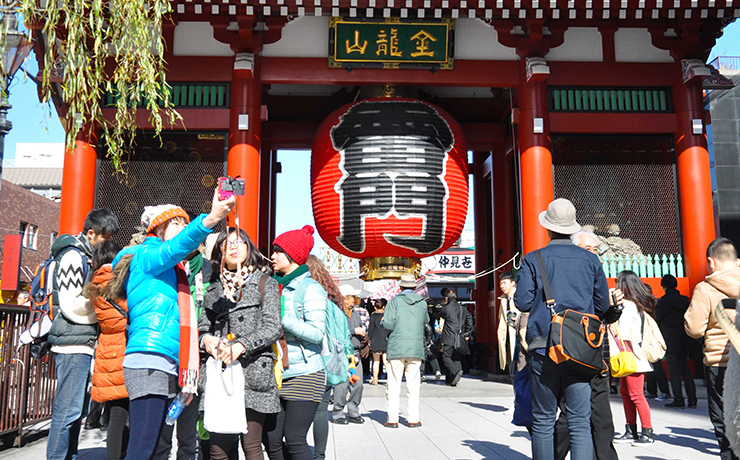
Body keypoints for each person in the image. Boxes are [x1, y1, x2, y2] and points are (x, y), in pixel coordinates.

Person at [113, 190, 235, 460]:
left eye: (185, 222)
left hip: (166, 360)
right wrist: (213, 217)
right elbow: (175, 247)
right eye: (178, 223)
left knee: (157, 447)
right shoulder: (147, 254)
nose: (184, 227)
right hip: (149, 358)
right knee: (143, 447)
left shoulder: (176, 269)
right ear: (159, 227)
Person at [514, 198, 609, 460]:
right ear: (572, 228)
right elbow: (602, 304)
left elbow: (522, 301)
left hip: (544, 345)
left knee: (543, 418)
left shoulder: (534, 259)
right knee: (580, 421)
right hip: (580, 347)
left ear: (548, 228)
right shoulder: (590, 261)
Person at [198, 229, 282, 460]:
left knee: (251, 445)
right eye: (227, 244)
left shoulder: (265, 283)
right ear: (220, 253)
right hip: (220, 373)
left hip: (253, 372)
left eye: (239, 242)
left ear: (249, 247)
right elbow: (202, 328)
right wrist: (207, 340)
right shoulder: (213, 290)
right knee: (218, 450)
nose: (234, 247)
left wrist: (242, 345)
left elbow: (273, 326)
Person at [47, 208, 119, 460]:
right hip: (72, 342)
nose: (107, 242)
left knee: (74, 411)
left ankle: (70, 456)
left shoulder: (84, 255)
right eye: (105, 237)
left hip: (80, 340)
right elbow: (72, 303)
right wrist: (102, 309)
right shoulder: (73, 257)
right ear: (91, 233)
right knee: (67, 411)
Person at [553, 229, 621, 460]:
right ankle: (554, 453)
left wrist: (615, 307)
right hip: (572, 352)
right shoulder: (566, 279)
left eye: (595, 250)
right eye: (587, 250)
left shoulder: (596, 274)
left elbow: (604, 314)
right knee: (571, 412)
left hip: (597, 353)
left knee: (601, 415)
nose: (592, 254)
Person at [264, 226, 327, 460]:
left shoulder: (310, 289)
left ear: (292, 255)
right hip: (277, 373)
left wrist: (282, 319)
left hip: (306, 373)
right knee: (271, 440)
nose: (272, 256)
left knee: (295, 438)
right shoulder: (272, 285)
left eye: (278, 251)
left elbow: (317, 333)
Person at [685, 237, 740, 460]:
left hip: (720, 362)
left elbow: (695, 328)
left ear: (711, 262)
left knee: (724, 416)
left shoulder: (705, 289)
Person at [83, 240, 128, 459]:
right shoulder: (121, 281)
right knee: (127, 412)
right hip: (125, 347)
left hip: (106, 349)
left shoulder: (93, 286)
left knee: (114, 413)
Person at [305, 255, 349, 460]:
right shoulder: (334, 302)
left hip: (309, 361)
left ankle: (300, 449)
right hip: (331, 363)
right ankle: (320, 455)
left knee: (299, 411)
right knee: (321, 410)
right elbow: (343, 335)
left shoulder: (306, 295)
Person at [610, 270, 655, 444]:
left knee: (635, 394)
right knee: (627, 393)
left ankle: (646, 431)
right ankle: (633, 430)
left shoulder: (628, 305)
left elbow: (622, 330)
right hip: (629, 354)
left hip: (631, 354)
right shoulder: (634, 304)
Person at [382, 273, 430, 428]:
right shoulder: (422, 303)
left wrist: (383, 323)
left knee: (394, 385)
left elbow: (388, 324)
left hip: (397, 347)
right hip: (415, 348)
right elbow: (426, 321)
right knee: (414, 385)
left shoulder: (394, 302)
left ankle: (393, 420)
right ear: (415, 287)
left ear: (400, 287)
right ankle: (413, 419)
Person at [656, 274, 696, 409]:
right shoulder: (685, 301)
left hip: (669, 339)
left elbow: (658, 320)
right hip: (684, 338)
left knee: (673, 372)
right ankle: (692, 400)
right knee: (685, 370)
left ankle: (678, 399)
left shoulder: (662, 303)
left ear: (664, 286)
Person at [332, 284, 365, 424]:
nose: (354, 301)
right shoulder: (336, 313)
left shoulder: (356, 314)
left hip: (355, 352)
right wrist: (354, 331)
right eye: (352, 298)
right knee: (342, 384)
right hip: (341, 353)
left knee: (358, 383)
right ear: (344, 298)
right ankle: (338, 412)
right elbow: (336, 332)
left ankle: (353, 410)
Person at [439, 288, 472, 386]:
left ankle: (456, 371)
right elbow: (469, 320)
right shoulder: (463, 308)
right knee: (456, 358)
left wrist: (443, 304)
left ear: (446, 298)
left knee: (446, 357)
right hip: (460, 336)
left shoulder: (446, 308)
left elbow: (441, 315)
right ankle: (452, 380)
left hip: (448, 336)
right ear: (456, 297)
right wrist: (467, 334)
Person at [497, 271, 519, 372]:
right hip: (507, 336)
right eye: (501, 283)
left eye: (504, 283)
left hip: (518, 335)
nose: (502, 286)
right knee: (511, 365)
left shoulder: (520, 297)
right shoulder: (503, 299)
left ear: (513, 283)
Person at [368, 299, 389, 385]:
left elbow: (371, 330)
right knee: (386, 361)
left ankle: (375, 379)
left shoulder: (373, 316)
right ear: (384, 306)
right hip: (385, 340)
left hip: (375, 340)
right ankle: (389, 380)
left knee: (376, 361)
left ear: (375, 307)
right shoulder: (387, 315)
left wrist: (369, 339)